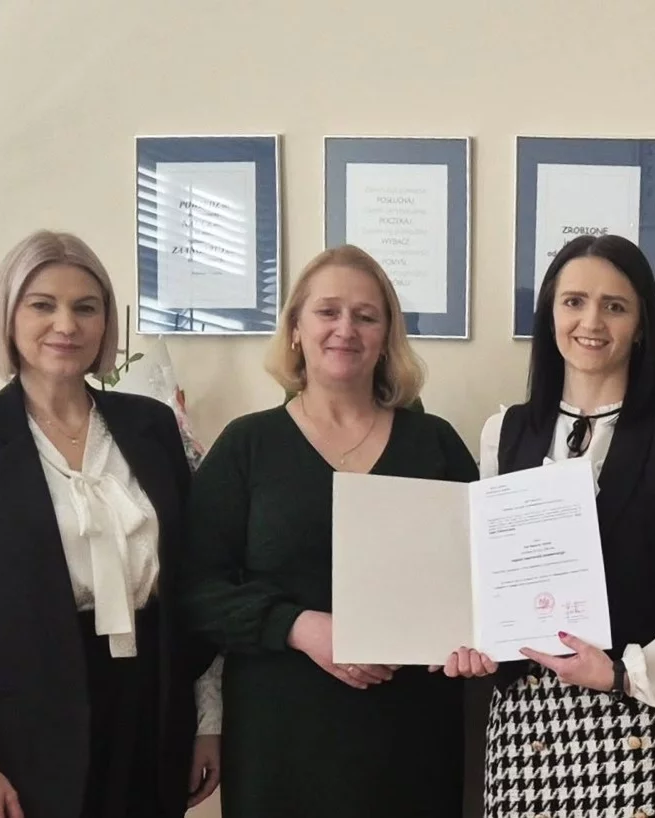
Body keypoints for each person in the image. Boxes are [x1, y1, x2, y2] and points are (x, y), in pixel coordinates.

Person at [0, 229, 222, 818]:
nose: (66, 325)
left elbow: (190, 586)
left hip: (151, 711)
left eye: (86, 307)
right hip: (22, 719)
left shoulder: (151, 426)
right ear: (9, 315)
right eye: (43, 305)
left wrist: (207, 721)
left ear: (106, 323)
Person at [444, 234, 655, 818]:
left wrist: (628, 673)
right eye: (574, 301)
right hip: (524, 725)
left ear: (641, 324)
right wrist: (469, 640)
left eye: (615, 305)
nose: (591, 321)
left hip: (636, 720)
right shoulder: (503, 432)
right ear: (550, 314)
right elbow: (487, 577)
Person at [179, 244, 477, 817]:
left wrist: (473, 637)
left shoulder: (434, 444)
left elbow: (483, 574)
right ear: (295, 328)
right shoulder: (247, 445)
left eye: (366, 316)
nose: (346, 329)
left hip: (412, 737)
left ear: (387, 337)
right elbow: (196, 591)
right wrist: (298, 626)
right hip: (282, 738)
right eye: (327, 311)